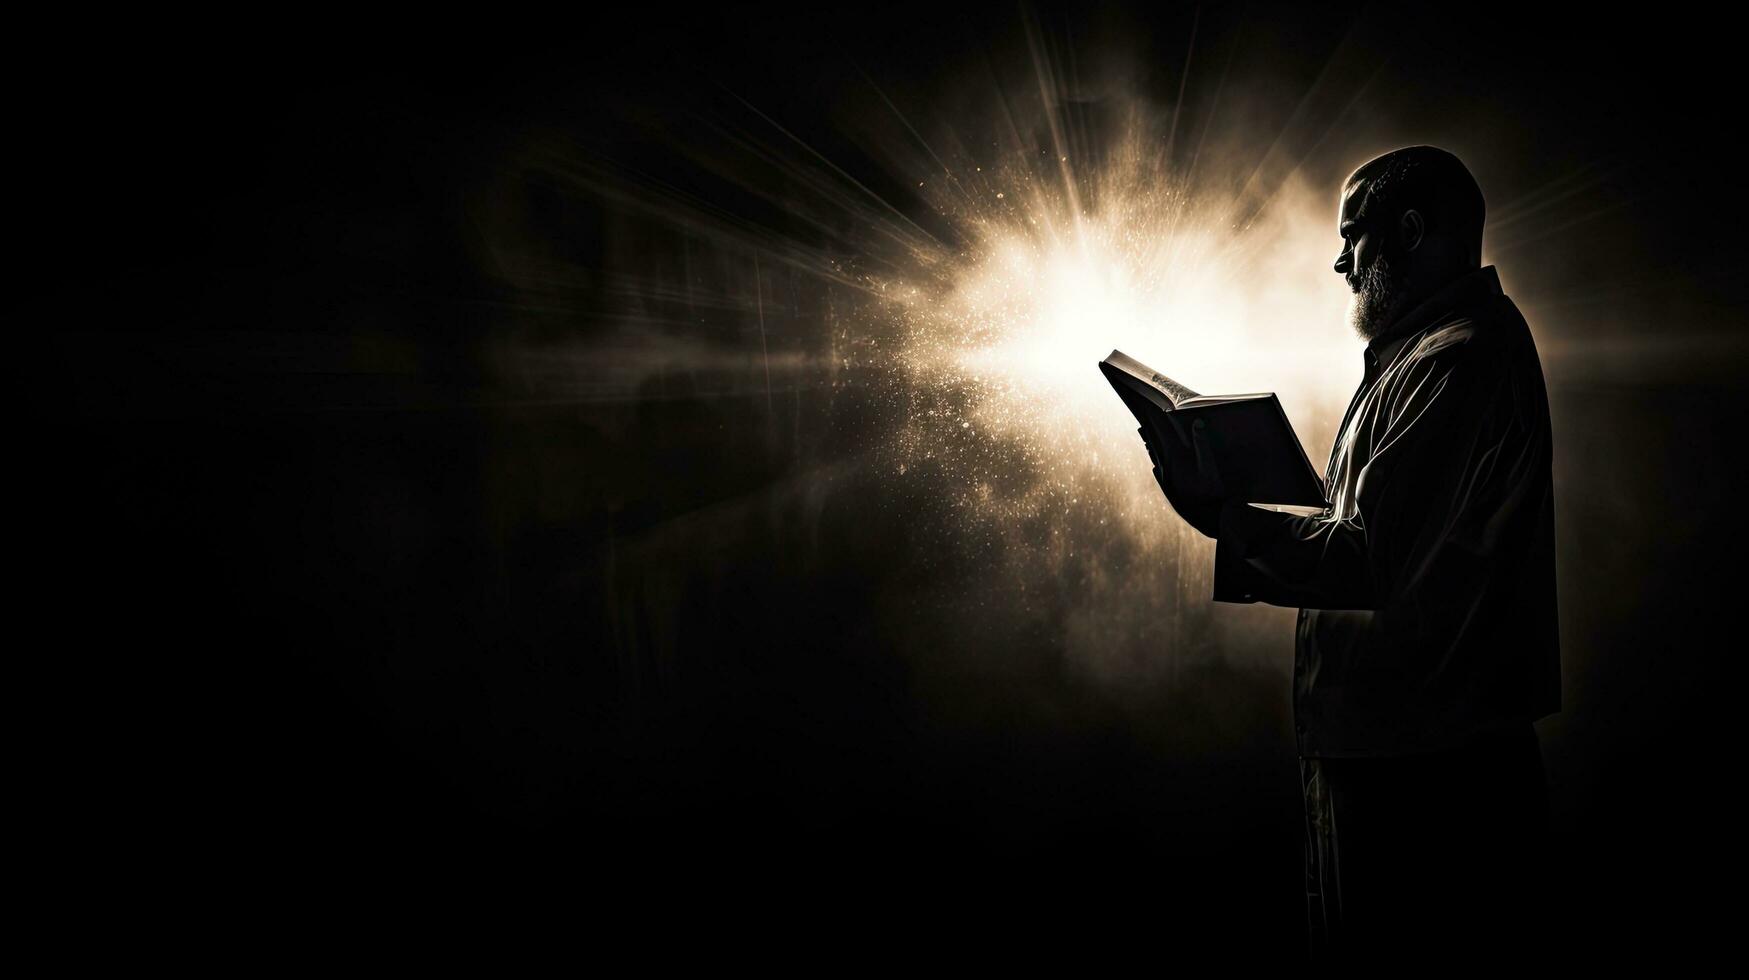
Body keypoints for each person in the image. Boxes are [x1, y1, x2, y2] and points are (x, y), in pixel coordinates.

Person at [1143, 145, 1561, 965]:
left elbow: (1368, 558)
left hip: (1427, 769)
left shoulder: (1456, 358)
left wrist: (1223, 515)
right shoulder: (1430, 354)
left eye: (1352, 237)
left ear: (1408, 231)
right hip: (1405, 748)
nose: (1338, 262)